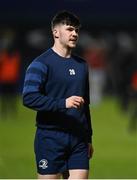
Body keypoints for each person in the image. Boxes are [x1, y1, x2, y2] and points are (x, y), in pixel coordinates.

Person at [22, 10, 94, 179]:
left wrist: (88, 137)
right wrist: (63, 103)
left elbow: (86, 105)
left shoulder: (82, 65)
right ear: (55, 32)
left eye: (76, 30)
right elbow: (29, 97)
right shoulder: (40, 64)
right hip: (50, 139)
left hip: (78, 140)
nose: (74, 34)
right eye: (69, 29)